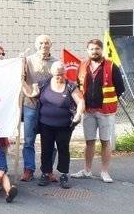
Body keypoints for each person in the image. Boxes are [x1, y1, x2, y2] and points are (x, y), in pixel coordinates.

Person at [72, 39, 125, 183]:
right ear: (87, 50)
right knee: (89, 141)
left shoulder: (111, 65)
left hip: (105, 111)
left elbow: (120, 88)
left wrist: (109, 101)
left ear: (101, 50)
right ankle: (87, 170)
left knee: (105, 141)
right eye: (91, 49)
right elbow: (77, 86)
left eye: (97, 49)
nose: (94, 51)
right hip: (88, 111)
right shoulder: (82, 66)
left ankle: (104, 172)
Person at [37, 61, 85, 189]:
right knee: (46, 149)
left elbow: (80, 101)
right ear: (52, 73)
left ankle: (64, 174)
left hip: (64, 125)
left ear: (65, 73)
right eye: (57, 74)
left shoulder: (70, 86)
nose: (59, 77)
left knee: (63, 149)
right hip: (45, 123)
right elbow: (32, 94)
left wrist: (78, 114)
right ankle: (46, 173)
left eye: (62, 74)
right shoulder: (44, 84)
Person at [20, 34, 54, 182]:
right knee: (28, 140)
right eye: (41, 43)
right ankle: (29, 169)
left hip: (50, 106)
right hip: (30, 105)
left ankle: (48, 170)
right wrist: (19, 62)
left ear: (50, 45)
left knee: (50, 140)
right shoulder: (27, 61)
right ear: (36, 45)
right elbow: (20, 77)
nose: (44, 45)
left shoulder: (56, 62)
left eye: (46, 43)